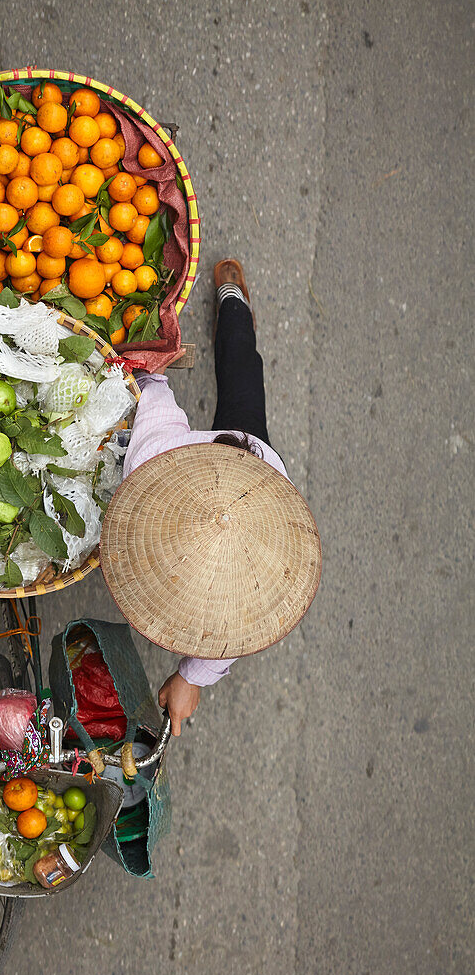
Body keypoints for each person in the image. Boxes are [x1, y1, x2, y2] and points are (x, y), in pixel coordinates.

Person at [101, 259, 318, 736]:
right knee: (240, 374)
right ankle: (233, 302)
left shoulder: (262, 571)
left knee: (244, 378)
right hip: (241, 449)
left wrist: (190, 676)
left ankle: (235, 305)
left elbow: (238, 616)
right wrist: (142, 374)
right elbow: (152, 392)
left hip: (257, 468)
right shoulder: (157, 456)